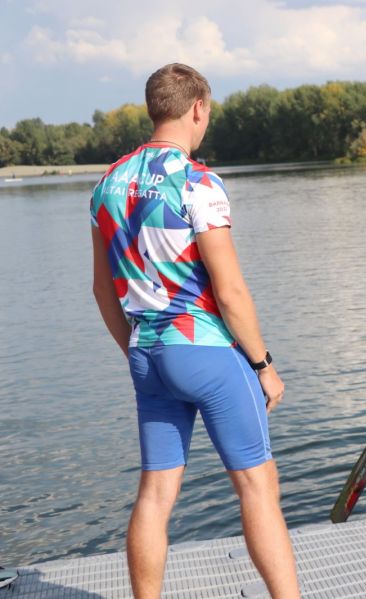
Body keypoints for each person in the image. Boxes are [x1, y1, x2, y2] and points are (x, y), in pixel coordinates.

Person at [90, 63, 301, 597]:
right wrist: (264, 364)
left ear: (153, 108)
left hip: (147, 354)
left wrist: (137, 352)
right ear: (198, 109)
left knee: (155, 495)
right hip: (205, 349)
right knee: (257, 487)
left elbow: (102, 291)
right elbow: (229, 292)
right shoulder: (198, 182)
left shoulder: (108, 183)